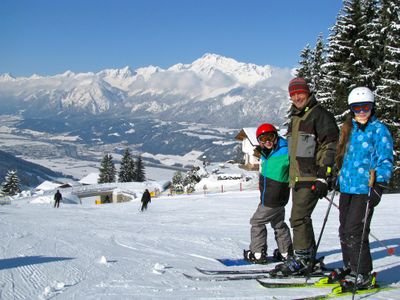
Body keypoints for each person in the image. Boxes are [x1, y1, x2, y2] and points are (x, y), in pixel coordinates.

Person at [273, 77, 339, 276]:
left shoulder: (319, 115)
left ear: (308, 92)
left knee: (298, 218)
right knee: (301, 218)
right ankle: (307, 257)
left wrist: (323, 175)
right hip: (298, 178)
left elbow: (332, 145)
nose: (296, 97)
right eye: (292, 94)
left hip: (311, 177)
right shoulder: (296, 117)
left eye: (300, 93)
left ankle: (302, 259)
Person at [330, 87, 393, 290]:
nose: (361, 112)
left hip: (365, 189)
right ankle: (350, 266)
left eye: (365, 107)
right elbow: (343, 156)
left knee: (356, 231)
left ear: (372, 107)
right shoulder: (349, 128)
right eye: (357, 108)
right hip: (347, 187)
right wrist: (336, 175)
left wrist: (380, 185)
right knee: (344, 229)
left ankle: (363, 273)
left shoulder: (379, 130)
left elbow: (385, 159)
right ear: (351, 110)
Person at [243, 123, 293, 264]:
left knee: (257, 222)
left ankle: (258, 253)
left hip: (273, 197)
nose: (267, 142)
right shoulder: (268, 152)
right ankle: (285, 253)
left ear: (276, 136)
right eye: (263, 139)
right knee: (278, 223)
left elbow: (295, 162)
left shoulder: (285, 152)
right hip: (276, 197)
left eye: (270, 137)